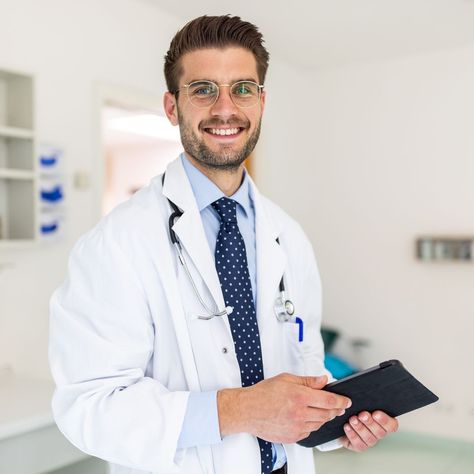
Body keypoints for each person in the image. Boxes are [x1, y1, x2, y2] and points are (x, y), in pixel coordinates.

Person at [49, 15, 398, 474]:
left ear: (261, 102)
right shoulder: (116, 245)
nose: (225, 108)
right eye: (203, 90)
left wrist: (339, 419)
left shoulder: (288, 236)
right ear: (173, 107)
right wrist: (238, 410)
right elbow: (89, 408)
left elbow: (306, 355)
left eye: (242, 89)